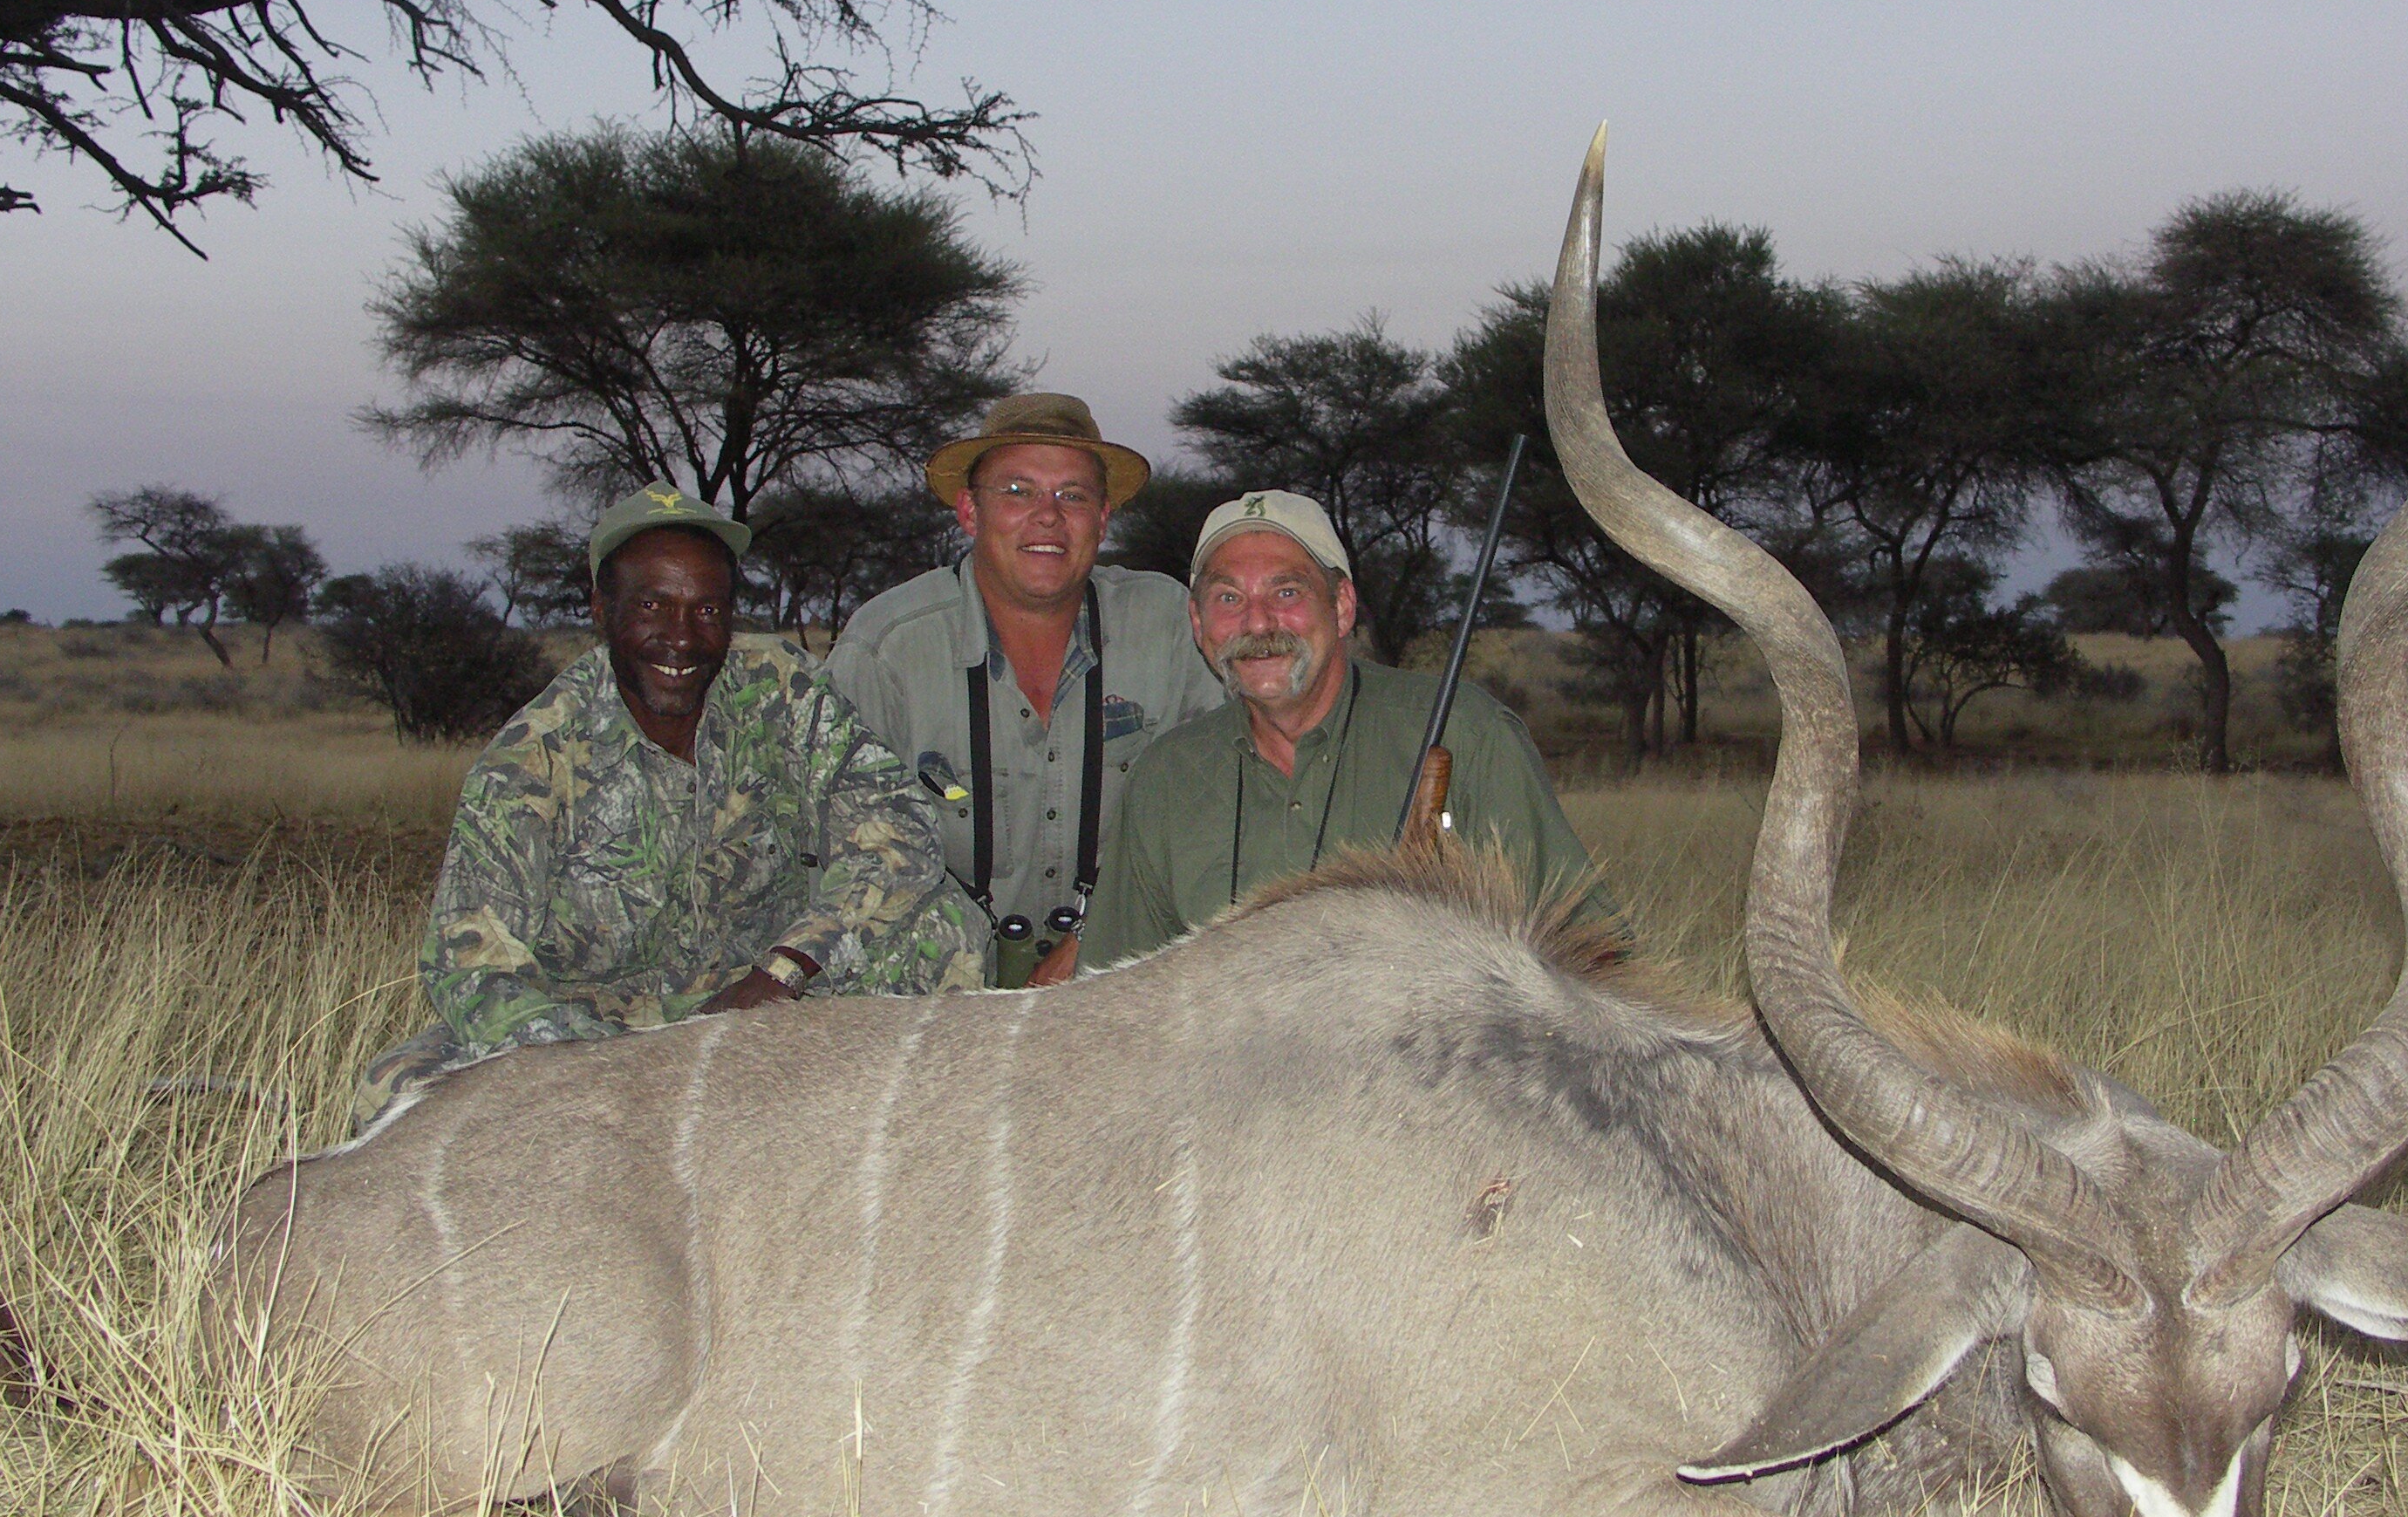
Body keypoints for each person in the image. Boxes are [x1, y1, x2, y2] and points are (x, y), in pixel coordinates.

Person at [351, 485, 984, 1127]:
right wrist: (621, 1068)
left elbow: (901, 825)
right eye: (652, 605)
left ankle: (903, 1150)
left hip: (762, 1002)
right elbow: (469, 971)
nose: (681, 638)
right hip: (595, 1034)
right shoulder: (531, 759)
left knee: (946, 926)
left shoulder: (777, 685)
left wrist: (787, 968)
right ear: (602, 610)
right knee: (397, 1086)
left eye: (708, 610)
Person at [1081, 489, 1616, 967]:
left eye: (1287, 592)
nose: (1258, 622)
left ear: (1341, 607)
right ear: (1198, 626)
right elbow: (1116, 994)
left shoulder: (1466, 734)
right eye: (1228, 598)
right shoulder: (1166, 777)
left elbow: (1595, 956)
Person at [826, 393, 1220, 984]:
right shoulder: (886, 650)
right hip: (934, 990)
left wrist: (1100, 937)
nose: (1048, 515)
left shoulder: (1168, 626)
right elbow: (846, 867)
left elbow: (1219, 809)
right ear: (968, 512)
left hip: (1128, 974)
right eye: (1017, 491)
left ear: (1103, 518)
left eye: (1074, 495)